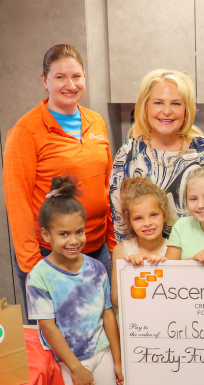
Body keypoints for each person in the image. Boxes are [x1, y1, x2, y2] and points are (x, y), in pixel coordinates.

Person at [4, 44, 116, 324]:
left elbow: (109, 188)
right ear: (44, 80)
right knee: (56, 340)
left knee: (99, 332)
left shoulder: (97, 123)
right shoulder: (26, 132)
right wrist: (34, 268)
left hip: (97, 249)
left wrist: (113, 245)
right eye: (60, 77)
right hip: (49, 255)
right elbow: (17, 204)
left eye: (76, 77)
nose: (70, 85)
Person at [26, 176, 123, 385]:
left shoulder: (97, 268)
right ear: (46, 234)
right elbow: (48, 327)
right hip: (67, 361)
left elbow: (107, 314)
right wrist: (76, 367)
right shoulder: (39, 277)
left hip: (102, 351)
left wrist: (117, 359)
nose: (74, 240)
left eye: (79, 231)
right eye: (64, 234)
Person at [110, 69, 204, 243]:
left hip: (198, 257)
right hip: (144, 260)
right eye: (159, 103)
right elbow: (119, 221)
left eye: (176, 104)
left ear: (187, 109)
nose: (167, 111)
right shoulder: (128, 154)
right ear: (145, 106)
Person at [111, 178, 171, 308]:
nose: (147, 223)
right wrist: (129, 269)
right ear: (129, 221)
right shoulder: (121, 250)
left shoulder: (173, 250)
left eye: (154, 215)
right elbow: (115, 301)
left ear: (164, 214)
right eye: (138, 218)